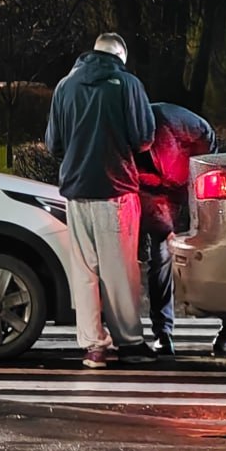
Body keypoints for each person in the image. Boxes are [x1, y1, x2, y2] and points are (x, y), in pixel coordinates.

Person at [45, 32, 158, 368]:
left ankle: (94, 346)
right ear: (120, 56)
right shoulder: (127, 84)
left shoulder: (65, 86)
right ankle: (130, 342)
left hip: (76, 192)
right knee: (120, 270)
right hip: (116, 189)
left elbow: (54, 144)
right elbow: (143, 138)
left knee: (85, 271)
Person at [134, 103, 226, 356]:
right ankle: (162, 331)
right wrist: (164, 224)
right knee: (160, 254)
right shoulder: (124, 142)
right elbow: (137, 181)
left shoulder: (173, 123)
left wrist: (197, 190)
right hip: (160, 190)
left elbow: (204, 143)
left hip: (194, 176)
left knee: (213, 250)